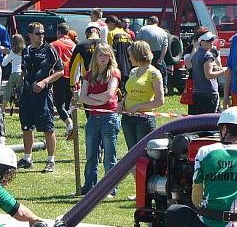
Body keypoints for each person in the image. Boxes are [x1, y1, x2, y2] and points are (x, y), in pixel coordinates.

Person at [16, 22, 63, 173]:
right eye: (38, 33)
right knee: (26, 127)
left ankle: (51, 160)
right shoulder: (25, 51)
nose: (41, 36)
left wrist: (45, 82)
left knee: (47, 128)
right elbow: (23, 71)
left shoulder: (49, 49)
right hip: (27, 94)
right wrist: (19, 86)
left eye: (43, 33)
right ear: (29, 35)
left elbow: (60, 71)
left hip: (43, 95)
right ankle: (27, 158)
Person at [79, 43, 121, 195]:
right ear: (95, 56)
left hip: (109, 118)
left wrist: (91, 97)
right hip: (92, 118)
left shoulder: (114, 73)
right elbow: (81, 97)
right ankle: (89, 186)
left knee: (109, 157)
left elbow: (109, 95)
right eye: (100, 55)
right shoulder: (89, 74)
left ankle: (111, 188)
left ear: (111, 56)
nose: (103, 58)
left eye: (106, 54)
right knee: (91, 155)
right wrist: (97, 99)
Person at [118, 40, 164, 151]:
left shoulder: (154, 73)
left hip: (144, 120)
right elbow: (129, 92)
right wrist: (122, 103)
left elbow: (160, 101)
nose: (129, 58)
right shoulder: (133, 71)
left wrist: (138, 107)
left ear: (138, 55)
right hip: (128, 118)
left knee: (142, 153)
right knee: (131, 152)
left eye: (131, 56)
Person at [188, 31, 226, 115]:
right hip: (209, 93)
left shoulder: (196, 54)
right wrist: (224, 71)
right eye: (208, 40)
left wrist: (216, 67)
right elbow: (209, 75)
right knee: (210, 122)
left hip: (197, 93)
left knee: (197, 123)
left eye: (212, 39)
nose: (211, 42)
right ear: (201, 42)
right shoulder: (208, 55)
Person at [50, 22, 76, 138]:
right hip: (72, 76)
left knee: (59, 105)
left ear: (58, 32)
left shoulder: (54, 44)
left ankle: (70, 125)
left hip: (60, 76)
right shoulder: (73, 44)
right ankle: (70, 125)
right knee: (67, 104)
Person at [137, 16, 169, 92]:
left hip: (145, 52)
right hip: (158, 53)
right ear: (157, 22)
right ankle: (163, 87)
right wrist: (161, 59)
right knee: (161, 71)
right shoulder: (163, 31)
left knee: (144, 70)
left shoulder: (143, 29)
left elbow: (137, 42)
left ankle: (142, 87)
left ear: (149, 21)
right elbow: (165, 46)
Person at [69, 22, 102, 92]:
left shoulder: (81, 45)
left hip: (88, 80)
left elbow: (74, 66)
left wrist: (72, 84)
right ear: (98, 32)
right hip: (104, 79)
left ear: (87, 33)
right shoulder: (105, 44)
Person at [105, 15, 133, 91]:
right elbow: (131, 49)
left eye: (107, 26)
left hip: (117, 62)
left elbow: (110, 50)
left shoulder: (111, 33)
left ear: (110, 24)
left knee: (117, 84)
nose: (107, 28)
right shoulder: (127, 35)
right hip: (128, 63)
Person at [1, 34, 24, 112]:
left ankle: (3, 109)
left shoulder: (12, 52)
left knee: (8, 90)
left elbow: (4, 63)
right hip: (23, 74)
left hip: (14, 73)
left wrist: (7, 55)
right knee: (23, 93)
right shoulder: (25, 51)